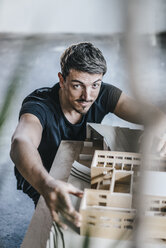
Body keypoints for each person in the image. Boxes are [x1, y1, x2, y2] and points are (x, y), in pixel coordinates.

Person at [10, 42, 166, 230]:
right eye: (77, 85)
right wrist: (47, 183)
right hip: (43, 173)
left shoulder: (104, 93)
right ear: (62, 80)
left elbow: (154, 115)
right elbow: (21, 142)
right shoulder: (39, 106)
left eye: (95, 85)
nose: (87, 96)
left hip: (79, 161)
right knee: (58, 223)